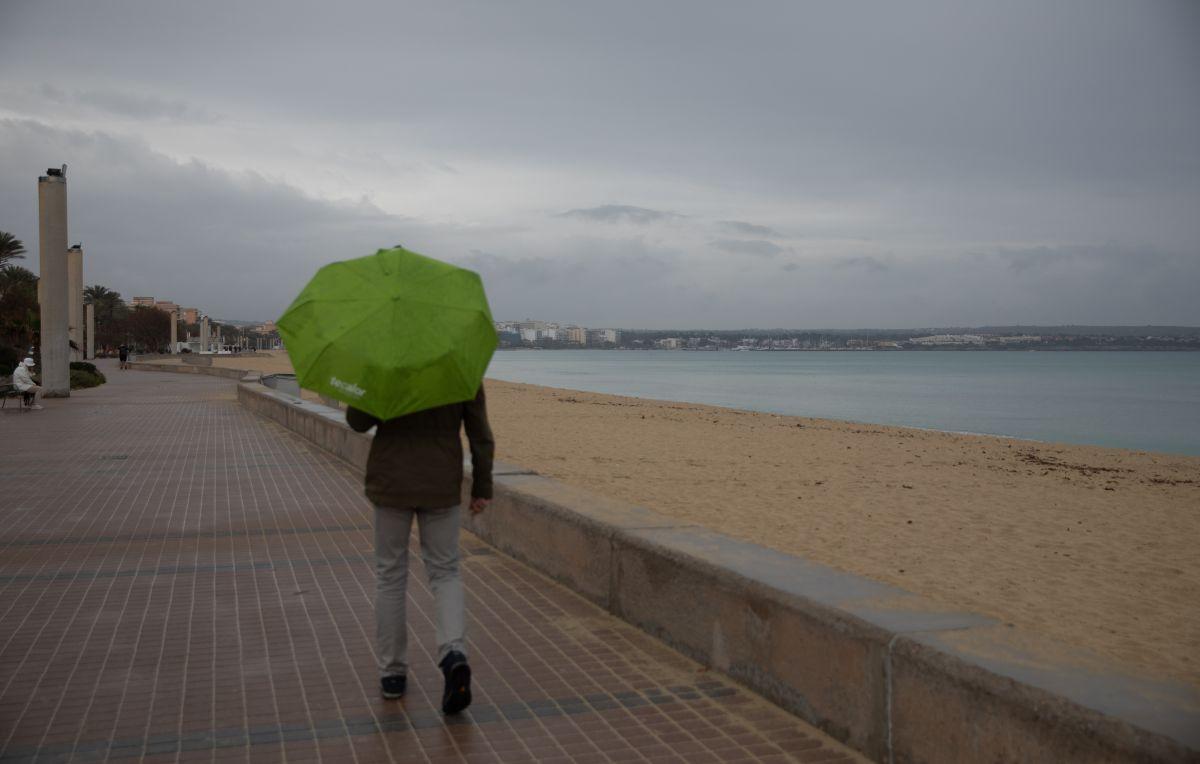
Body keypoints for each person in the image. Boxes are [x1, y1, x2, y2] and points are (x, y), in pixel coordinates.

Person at [347, 385, 494, 714]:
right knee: (445, 572)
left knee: (390, 576)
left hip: (391, 481)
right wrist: (482, 485)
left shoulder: (386, 361)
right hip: (440, 481)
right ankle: (454, 653)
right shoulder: (457, 363)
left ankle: (392, 673)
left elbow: (356, 420)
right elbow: (479, 433)